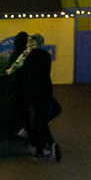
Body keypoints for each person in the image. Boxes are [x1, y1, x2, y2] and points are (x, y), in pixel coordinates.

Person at [21, 33, 61, 161]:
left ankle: (46, 146)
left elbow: (20, 72)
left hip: (33, 91)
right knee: (42, 118)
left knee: (38, 118)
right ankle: (44, 147)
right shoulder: (46, 56)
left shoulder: (27, 56)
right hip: (46, 89)